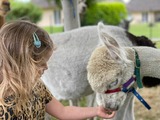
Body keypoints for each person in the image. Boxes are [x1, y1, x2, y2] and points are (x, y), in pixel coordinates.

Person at [0, 20, 115, 120]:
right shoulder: (4, 107)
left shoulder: (37, 87)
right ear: (19, 63)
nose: (46, 67)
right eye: (40, 63)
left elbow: (63, 111)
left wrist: (96, 111)